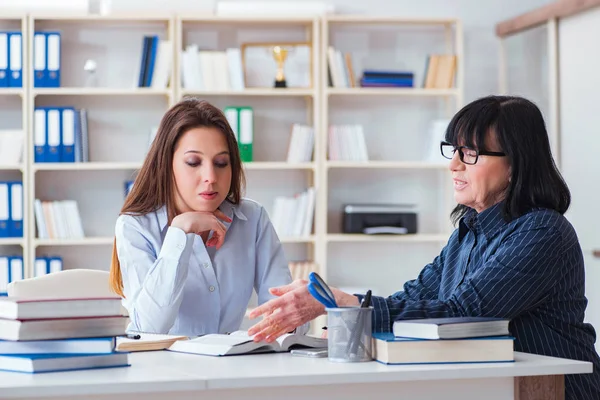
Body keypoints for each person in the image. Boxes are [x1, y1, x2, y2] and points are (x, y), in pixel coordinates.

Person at [248, 95, 600, 399]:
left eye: (471, 153)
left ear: (515, 164)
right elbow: (415, 298)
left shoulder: (543, 230)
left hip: (551, 391)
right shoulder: (467, 231)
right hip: (491, 386)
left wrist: (344, 304)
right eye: (455, 151)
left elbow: (463, 313)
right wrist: (348, 315)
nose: (454, 165)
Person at [109, 98, 306, 337]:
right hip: (161, 370)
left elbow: (286, 317)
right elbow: (149, 328)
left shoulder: (252, 219)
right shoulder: (135, 226)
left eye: (221, 163)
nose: (210, 176)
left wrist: (297, 314)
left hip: (229, 367)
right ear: (166, 164)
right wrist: (179, 235)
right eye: (193, 162)